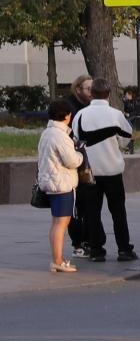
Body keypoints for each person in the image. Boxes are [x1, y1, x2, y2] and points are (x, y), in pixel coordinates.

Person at [71, 78, 136, 262]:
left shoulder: (81, 115)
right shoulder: (116, 115)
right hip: (112, 170)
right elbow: (126, 139)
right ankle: (124, 249)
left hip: (90, 172)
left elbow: (76, 140)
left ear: (91, 94)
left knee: (92, 212)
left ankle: (96, 250)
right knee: (118, 211)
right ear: (108, 94)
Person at [38, 99, 84, 273]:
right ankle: (58, 261)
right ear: (67, 116)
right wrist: (80, 155)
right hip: (62, 184)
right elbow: (71, 161)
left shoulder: (47, 133)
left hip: (51, 182)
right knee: (61, 223)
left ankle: (57, 259)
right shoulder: (60, 136)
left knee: (56, 223)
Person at [64, 74, 93, 259]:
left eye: (93, 89)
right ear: (78, 89)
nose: (91, 92)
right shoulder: (69, 107)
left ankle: (88, 240)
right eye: (88, 89)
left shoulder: (91, 106)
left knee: (88, 204)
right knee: (75, 206)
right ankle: (78, 243)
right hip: (73, 162)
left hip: (88, 162)